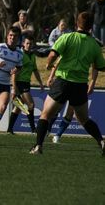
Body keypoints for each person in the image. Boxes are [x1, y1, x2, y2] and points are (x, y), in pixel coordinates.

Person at [30, 12, 105, 155]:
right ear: (91, 27)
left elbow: (52, 55)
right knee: (83, 119)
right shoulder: (95, 45)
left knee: (45, 114)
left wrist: (49, 64)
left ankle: (38, 146)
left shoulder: (67, 37)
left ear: (77, 24)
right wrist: (92, 82)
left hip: (63, 82)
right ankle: (101, 141)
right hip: (80, 85)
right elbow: (101, 66)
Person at [6, 36, 44, 134]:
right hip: (20, 83)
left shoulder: (32, 56)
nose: (29, 45)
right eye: (27, 43)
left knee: (18, 107)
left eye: (30, 44)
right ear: (23, 43)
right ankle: (33, 129)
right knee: (31, 104)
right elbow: (14, 72)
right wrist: (14, 87)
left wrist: (40, 83)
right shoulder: (20, 54)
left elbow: (35, 70)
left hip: (26, 82)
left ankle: (9, 129)